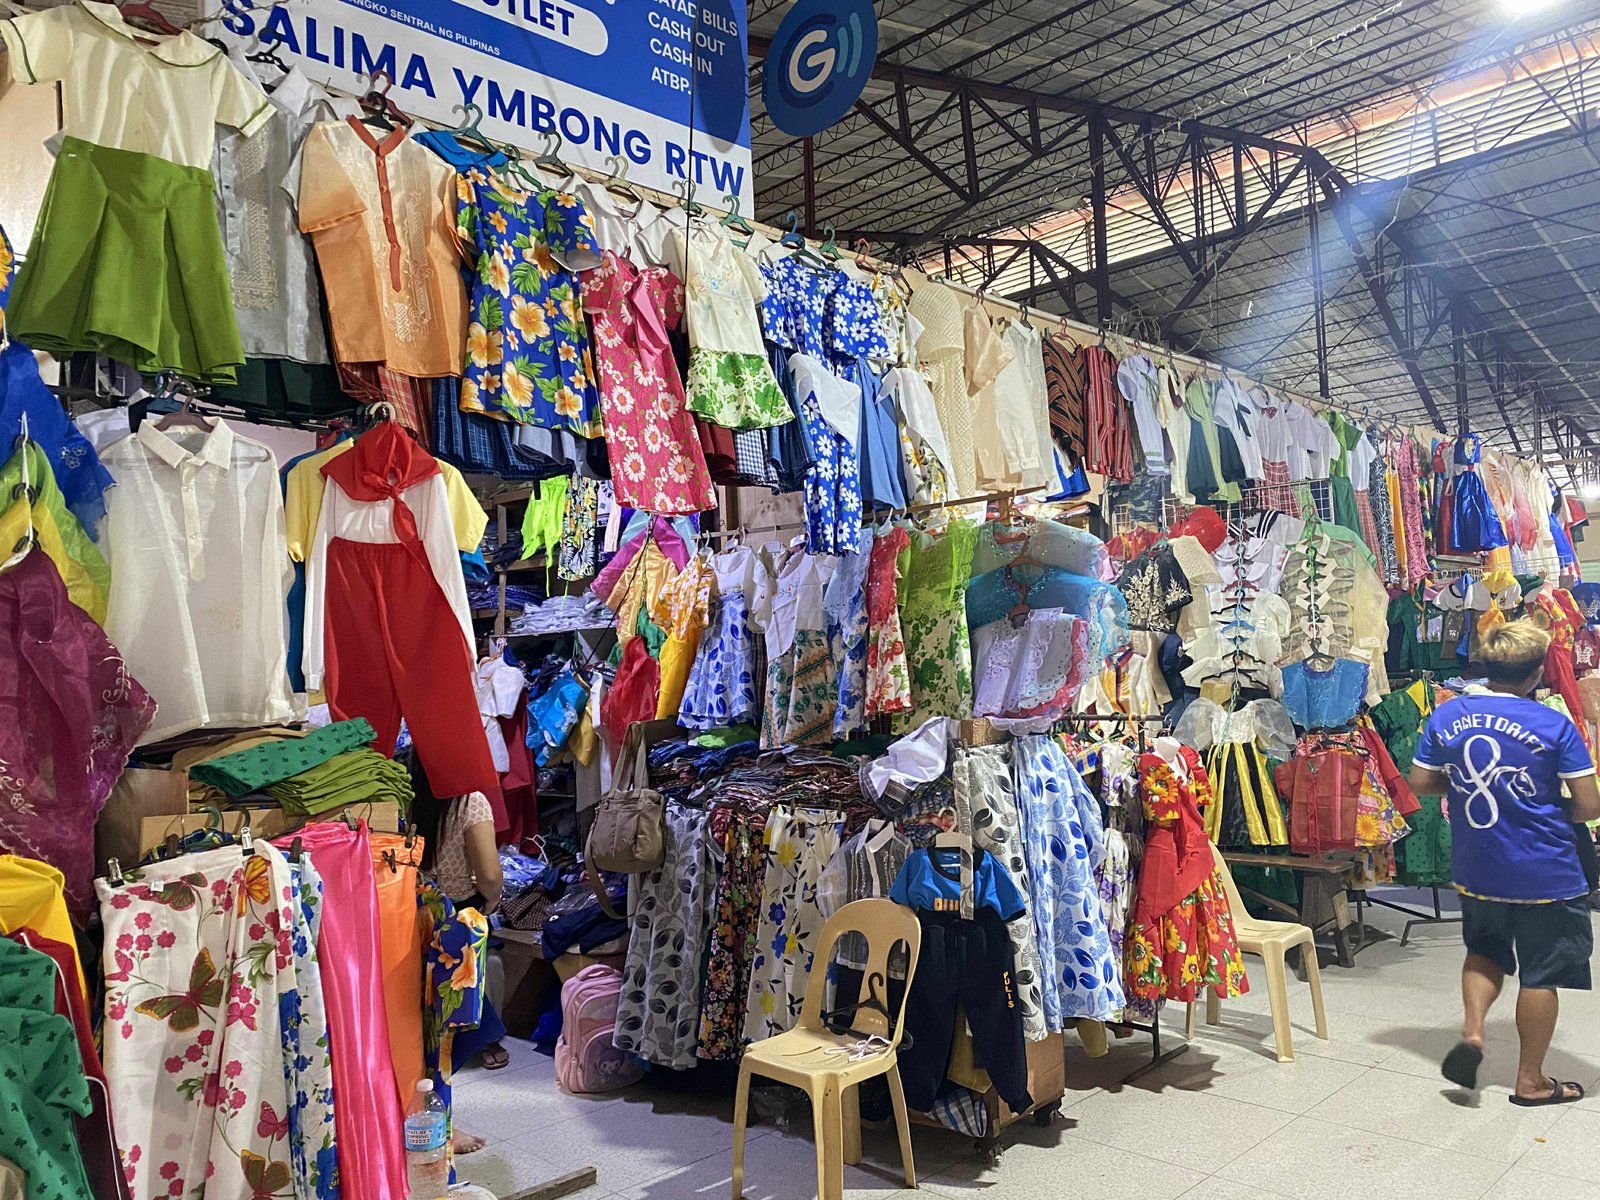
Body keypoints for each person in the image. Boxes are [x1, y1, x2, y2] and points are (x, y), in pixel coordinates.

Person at [1408, 619, 1600, 1106]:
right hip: (1546, 870)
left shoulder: (1447, 716)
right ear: (1537, 673)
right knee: (1542, 972)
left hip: (1479, 866)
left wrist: (1468, 789)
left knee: (1485, 949)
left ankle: (1473, 1032)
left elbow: (1421, 782)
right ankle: (1530, 1081)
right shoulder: (1553, 723)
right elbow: (1589, 803)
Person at [406, 759, 509, 1154]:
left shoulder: (406, 797)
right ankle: (442, 1123)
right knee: (454, 1027)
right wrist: (492, 900)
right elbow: (490, 873)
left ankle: (432, 1117)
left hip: (414, 916)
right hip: (459, 923)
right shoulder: (471, 802)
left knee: (422, 1025)